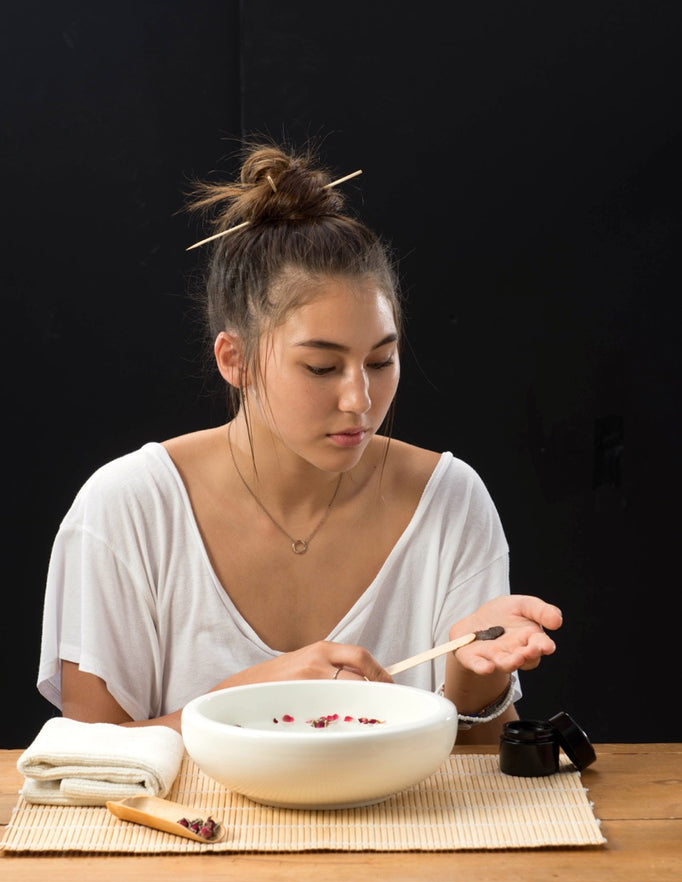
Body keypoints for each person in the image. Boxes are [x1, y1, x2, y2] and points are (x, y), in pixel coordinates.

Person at [36, 138, 562, 744]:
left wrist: (477, 678)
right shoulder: (127, 508)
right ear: (235, 360)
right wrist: (248, 700)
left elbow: (478, 776)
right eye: (320, 367)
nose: (359, 400)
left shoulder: (450, 500)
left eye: (381, 360)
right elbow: (86, 768)